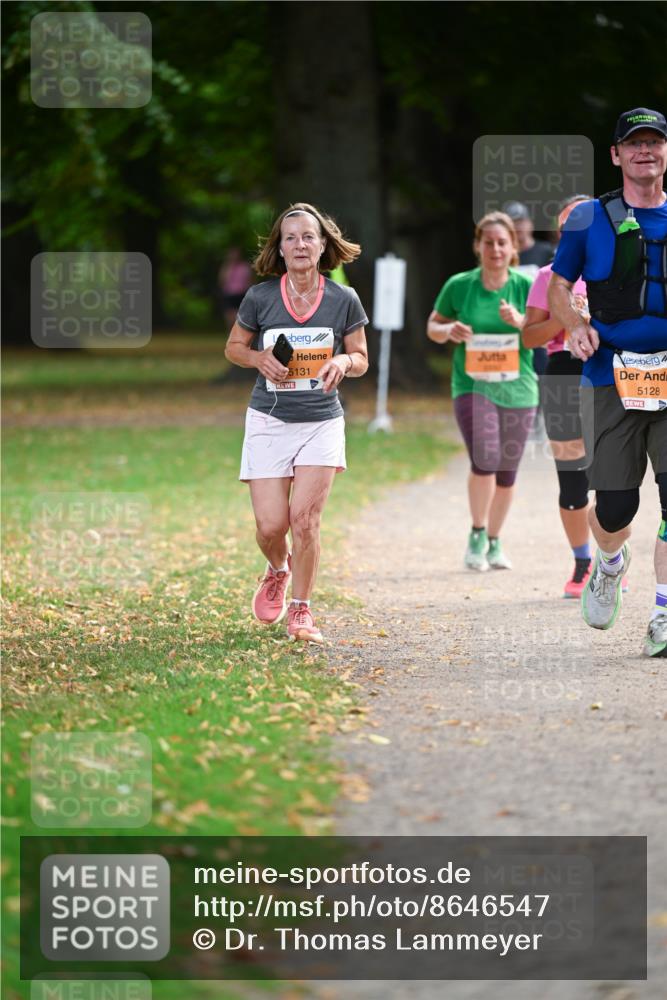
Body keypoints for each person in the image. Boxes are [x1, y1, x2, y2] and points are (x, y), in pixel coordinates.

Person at [548, 107, 667, 657]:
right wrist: (574, 325)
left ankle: (663, 613)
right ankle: (609, 563)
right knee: (616, 508)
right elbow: (558, 284)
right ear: (617, 154)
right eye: (635, 144)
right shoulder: (589, 219)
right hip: (610, 375)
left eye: (655, 143)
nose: (647, 152)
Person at [224, 203, 369, 644]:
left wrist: (344, 360)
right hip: (268, 419)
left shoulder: (343, 299)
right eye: (291, 238)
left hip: (320, 422)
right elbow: (233, 347)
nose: (300, 244)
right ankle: (277, 570)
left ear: (323, 245)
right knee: (271, 527)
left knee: (305, 521)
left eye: (308, 236)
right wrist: (258, 358)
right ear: (280, 249)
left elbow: (362, 358)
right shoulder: (261, 297)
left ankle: (302, 610)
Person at [427, 211, 538, 571]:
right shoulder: (460, 285)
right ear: (477, 246)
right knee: (485, 458)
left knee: (507, 472)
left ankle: (494, 540)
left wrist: (520, 322)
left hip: (519, 388)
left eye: (502, 242)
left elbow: (543, 335)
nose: (495, 248)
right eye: (488, 242)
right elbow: (433, 325)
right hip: (473, 385)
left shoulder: (525, 287)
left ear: (513, 247)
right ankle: (476, 534)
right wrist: (449, 331)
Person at [523, 196, 596, 598]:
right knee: (573, 480)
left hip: (609, 375)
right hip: (564, 372)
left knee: (615, 473)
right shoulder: (546, 277)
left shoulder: (618, 271)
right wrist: (564, 314)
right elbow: (529, 337)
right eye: (571, 224)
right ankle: (583, 562)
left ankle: (610, 556)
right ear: (560, 232)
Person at [218, 247, 253, 333]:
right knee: (229, 316)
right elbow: (222, 280)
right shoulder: (227, 267)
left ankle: (239, 334)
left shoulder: (244, 266)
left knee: (239, 316)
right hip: (229, 294)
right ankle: (230, 334)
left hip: (241, 293)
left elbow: (250, 280)